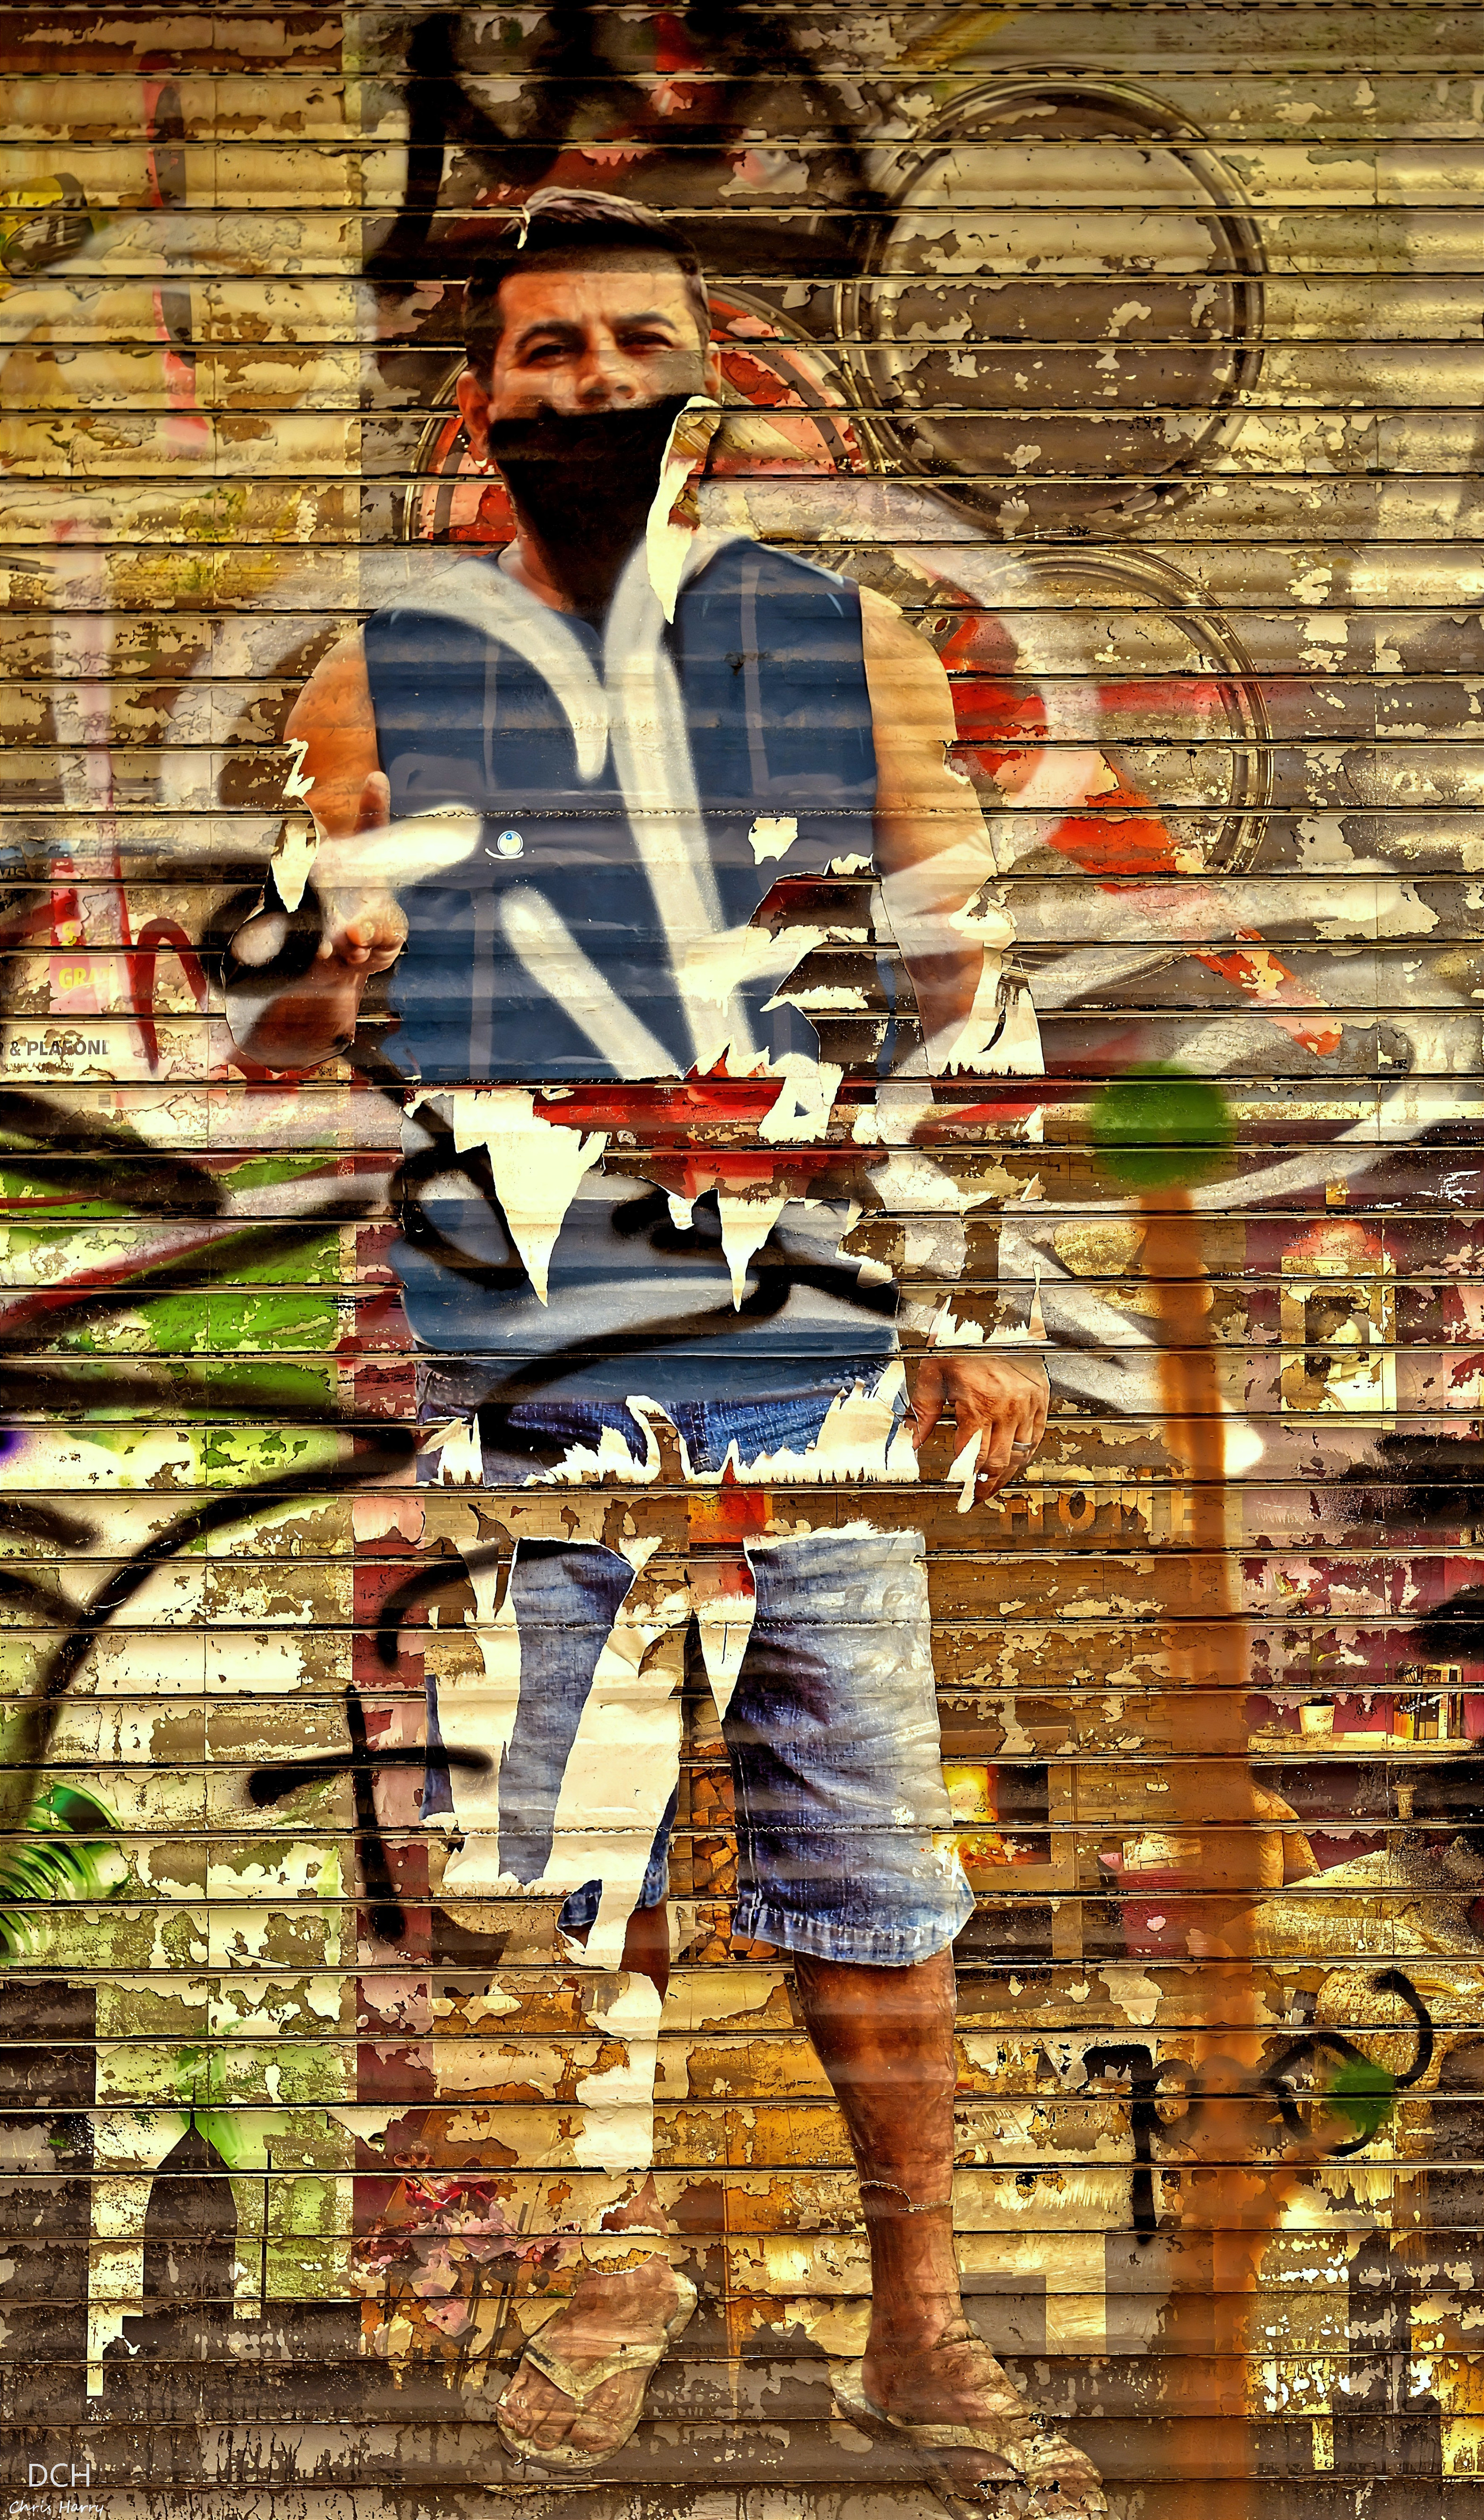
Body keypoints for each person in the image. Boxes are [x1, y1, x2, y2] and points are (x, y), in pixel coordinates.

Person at [226, 189, 1101, 2517]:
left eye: (635, 339)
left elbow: (963, 993)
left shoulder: (854, 649)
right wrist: (320, 969)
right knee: (561, 1902)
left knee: (875, 1893)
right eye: (549, 349)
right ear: (479, 401)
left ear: (712, 386)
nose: (594, 376)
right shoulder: (371, 682)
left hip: (814, 1381)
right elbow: (312, 1034)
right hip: (534, 1389)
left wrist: (985, 1297)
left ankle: (923, 2335)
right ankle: (613, 2296)